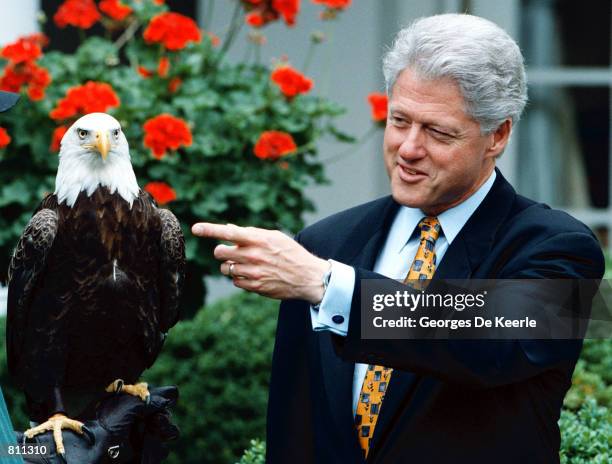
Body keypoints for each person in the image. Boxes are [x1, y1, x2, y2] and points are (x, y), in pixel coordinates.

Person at [191, 14, 604, 464]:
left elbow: (487, 342)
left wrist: (332, 288)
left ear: (498, 135)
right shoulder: (326, 243)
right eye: (399, 120)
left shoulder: (563, 248)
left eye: (437, 131)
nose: (408, 148)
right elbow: (295, 431)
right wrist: (324, 278)